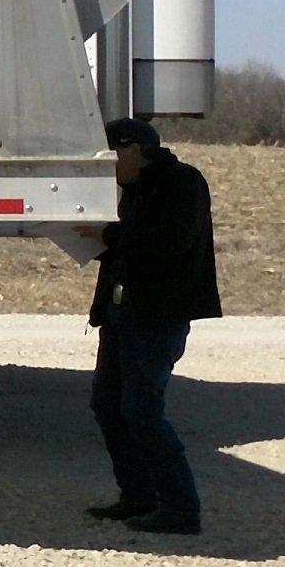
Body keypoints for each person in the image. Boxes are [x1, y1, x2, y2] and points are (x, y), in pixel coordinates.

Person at [84, 116, 222, 536]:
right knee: (108, 405)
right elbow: (127, 247)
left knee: (142, 410)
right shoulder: (131, 191)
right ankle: (138, 495)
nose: (108, 168)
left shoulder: (183, 183)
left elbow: (168, 243)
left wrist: (108, 236)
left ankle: (181, 507)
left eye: (111, 156)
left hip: (158, 316)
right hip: (122, 313)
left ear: (133, 150)